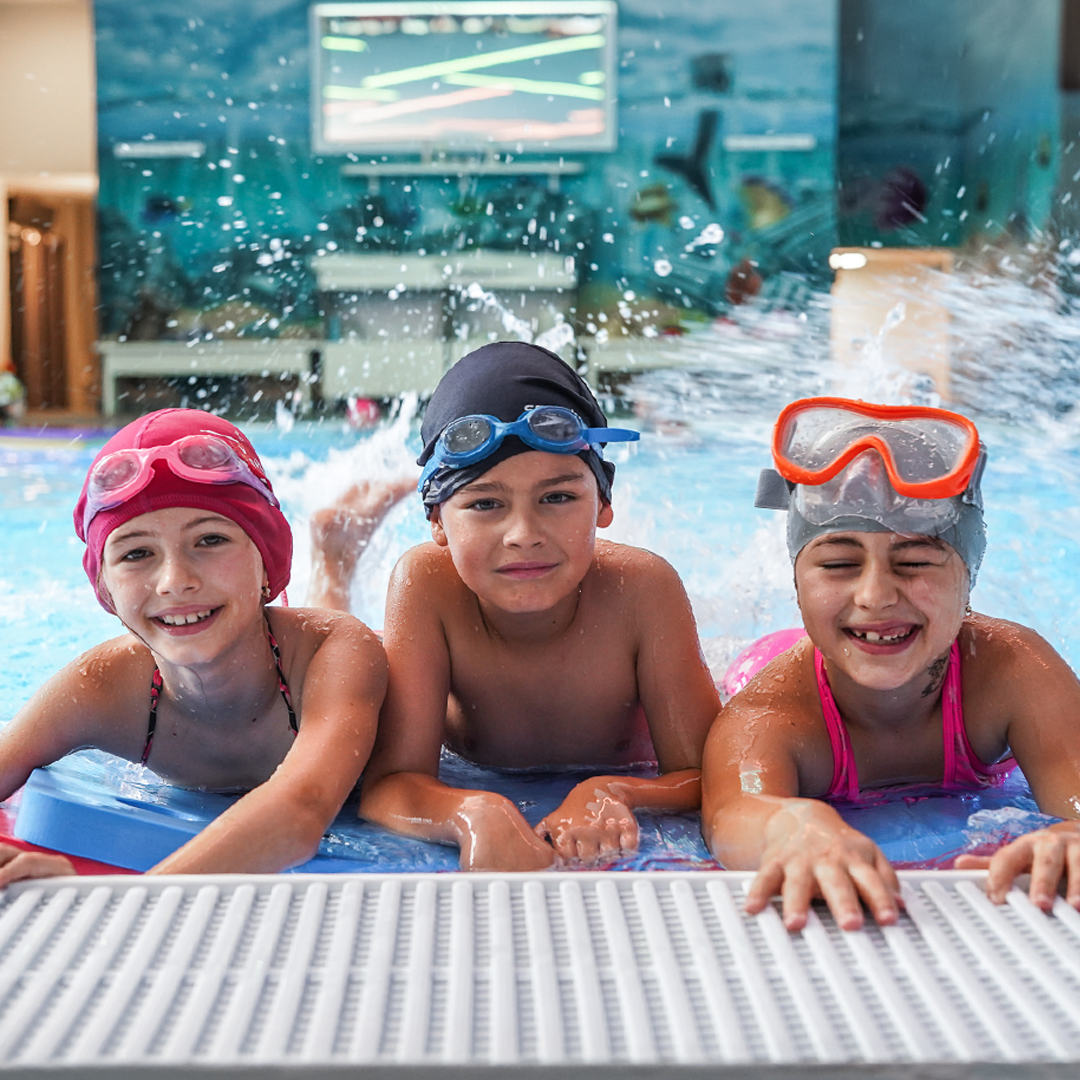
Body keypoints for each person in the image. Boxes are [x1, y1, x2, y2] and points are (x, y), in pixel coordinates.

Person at [702, 396, 1080, 930]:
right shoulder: (770, 714)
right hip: (763, 661)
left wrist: (1070, 836)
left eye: (915, 562)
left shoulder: (1014, 670)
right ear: (797, 583)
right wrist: (792, 826)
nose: (875, 596)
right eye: (839, 564)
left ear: (968, 581)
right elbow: (733, 813)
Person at [347, 342, 719, 871]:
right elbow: (390, 783)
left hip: (628, 760)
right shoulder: (426, 585)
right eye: (485, 503)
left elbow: (710, 774)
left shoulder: (643, 590)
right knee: (347, 662)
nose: (523, 534)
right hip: (474, 767)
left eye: (557, 498)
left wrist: (613, 791)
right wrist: (469, 812)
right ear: (436, 521)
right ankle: (336, 560)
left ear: (603, 502)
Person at [0, 408, 386, 885]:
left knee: (326, 621)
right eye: (136, 553)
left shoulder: (337, 648)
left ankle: (334, 556)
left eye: (210, 539)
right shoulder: (99, 687)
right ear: (104, 590)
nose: (174, 581)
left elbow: (299, 812)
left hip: (318, 659)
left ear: (268, 558)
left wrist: (118, 901)